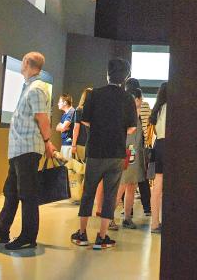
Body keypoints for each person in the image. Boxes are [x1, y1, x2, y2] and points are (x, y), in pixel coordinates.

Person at [0, 52, 56, 250]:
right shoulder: (29, 87)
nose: (21, 64)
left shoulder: (37, 88)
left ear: (27, 64)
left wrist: (47, 142)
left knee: (27, 194)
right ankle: (1, 229)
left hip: (28, 149)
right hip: (19, 150)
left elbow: (43, 119)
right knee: (11, 191)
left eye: (22, 61)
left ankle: (29, 236)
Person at [71, 58, 139, 250]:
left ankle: (82, 234)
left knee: (88, 192)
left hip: (95, 151)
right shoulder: (128, 99)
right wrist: (117, 129)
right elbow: (132, 129)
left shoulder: (94, 94)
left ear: (107, 74)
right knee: (110, 195)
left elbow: (85, 121)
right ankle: (102, 237)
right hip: (116, 153)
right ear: (125, 77)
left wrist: (100, 127)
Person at [117, 88, 147, 229]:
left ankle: (127, 217)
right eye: (141, 98)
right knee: (123, 185)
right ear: (136, 99)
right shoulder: (130, 115)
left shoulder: (134, 114)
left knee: (130, 185)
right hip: (129, 153)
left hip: (132, 153)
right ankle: (109, 218)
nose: (142, 101)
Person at [124, 78, 152, 216]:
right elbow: (149, 125)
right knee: (142, 177)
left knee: (126, 179)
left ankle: (128, 210)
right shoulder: (145, 105)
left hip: (128, 146)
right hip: (142, 146)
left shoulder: (124, 106)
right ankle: (147, 207)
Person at [149, 82, 167, 234]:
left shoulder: (157, 109)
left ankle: (154, 222)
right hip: (170, 146)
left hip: (159, 146)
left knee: (157, 186)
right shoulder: (172, 108)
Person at [71, 88, 93, 160]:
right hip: (91, 144)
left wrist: (73, 145)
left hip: (80, 143)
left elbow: (76, 128)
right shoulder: (95, 111)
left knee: (79, 168)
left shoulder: (79, 110)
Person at [55, 93, 75, 160]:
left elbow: (63, 127)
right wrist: (62, 127)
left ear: (65, 103)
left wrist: (63, 127)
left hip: (69, 144)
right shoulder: (64, 114)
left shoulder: (71, 112)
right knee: (63, 166)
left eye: (59, 102)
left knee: (67, 167)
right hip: (65, 143)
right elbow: (57, 128)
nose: (58, 104)